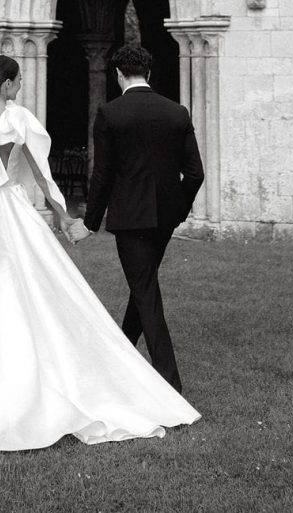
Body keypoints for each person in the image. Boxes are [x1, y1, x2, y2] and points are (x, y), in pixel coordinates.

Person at [0, 55, 200, 452]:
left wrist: (72, 217)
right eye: (19, 81)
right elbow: (42, 174)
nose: (21, 86)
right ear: (9, 85)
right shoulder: (18, 119)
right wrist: (65, 217)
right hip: (2, 212)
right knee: (18, 291)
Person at [79, 43, 204, 393]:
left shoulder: (110, 113)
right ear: (148, 73)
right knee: (143, 286)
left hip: (131, 219)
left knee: (145, 291)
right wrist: (178, 211)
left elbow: (101, 175)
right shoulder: (177, 112)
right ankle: (119, 356)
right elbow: (195, 174)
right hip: (165, 218)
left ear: (119, 75)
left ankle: (170, 385)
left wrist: (90, 222)